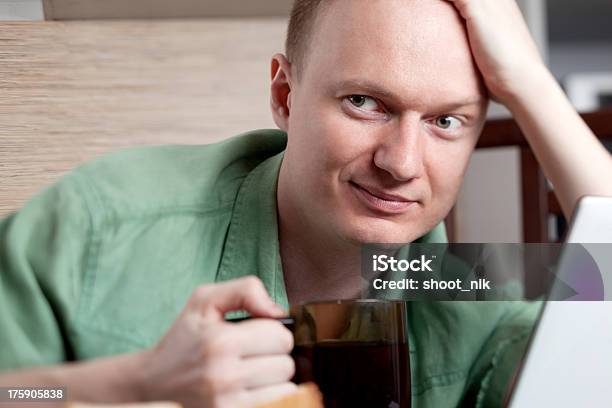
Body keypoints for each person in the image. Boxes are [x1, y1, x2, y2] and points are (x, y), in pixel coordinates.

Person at [1, 0, 611, 407]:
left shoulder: (480, 286)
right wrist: (136, 385)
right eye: (364, 103)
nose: (400, 163)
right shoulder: (102, 222)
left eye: (446, 120)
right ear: (285, 95)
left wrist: (530, 81)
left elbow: (604, 272)